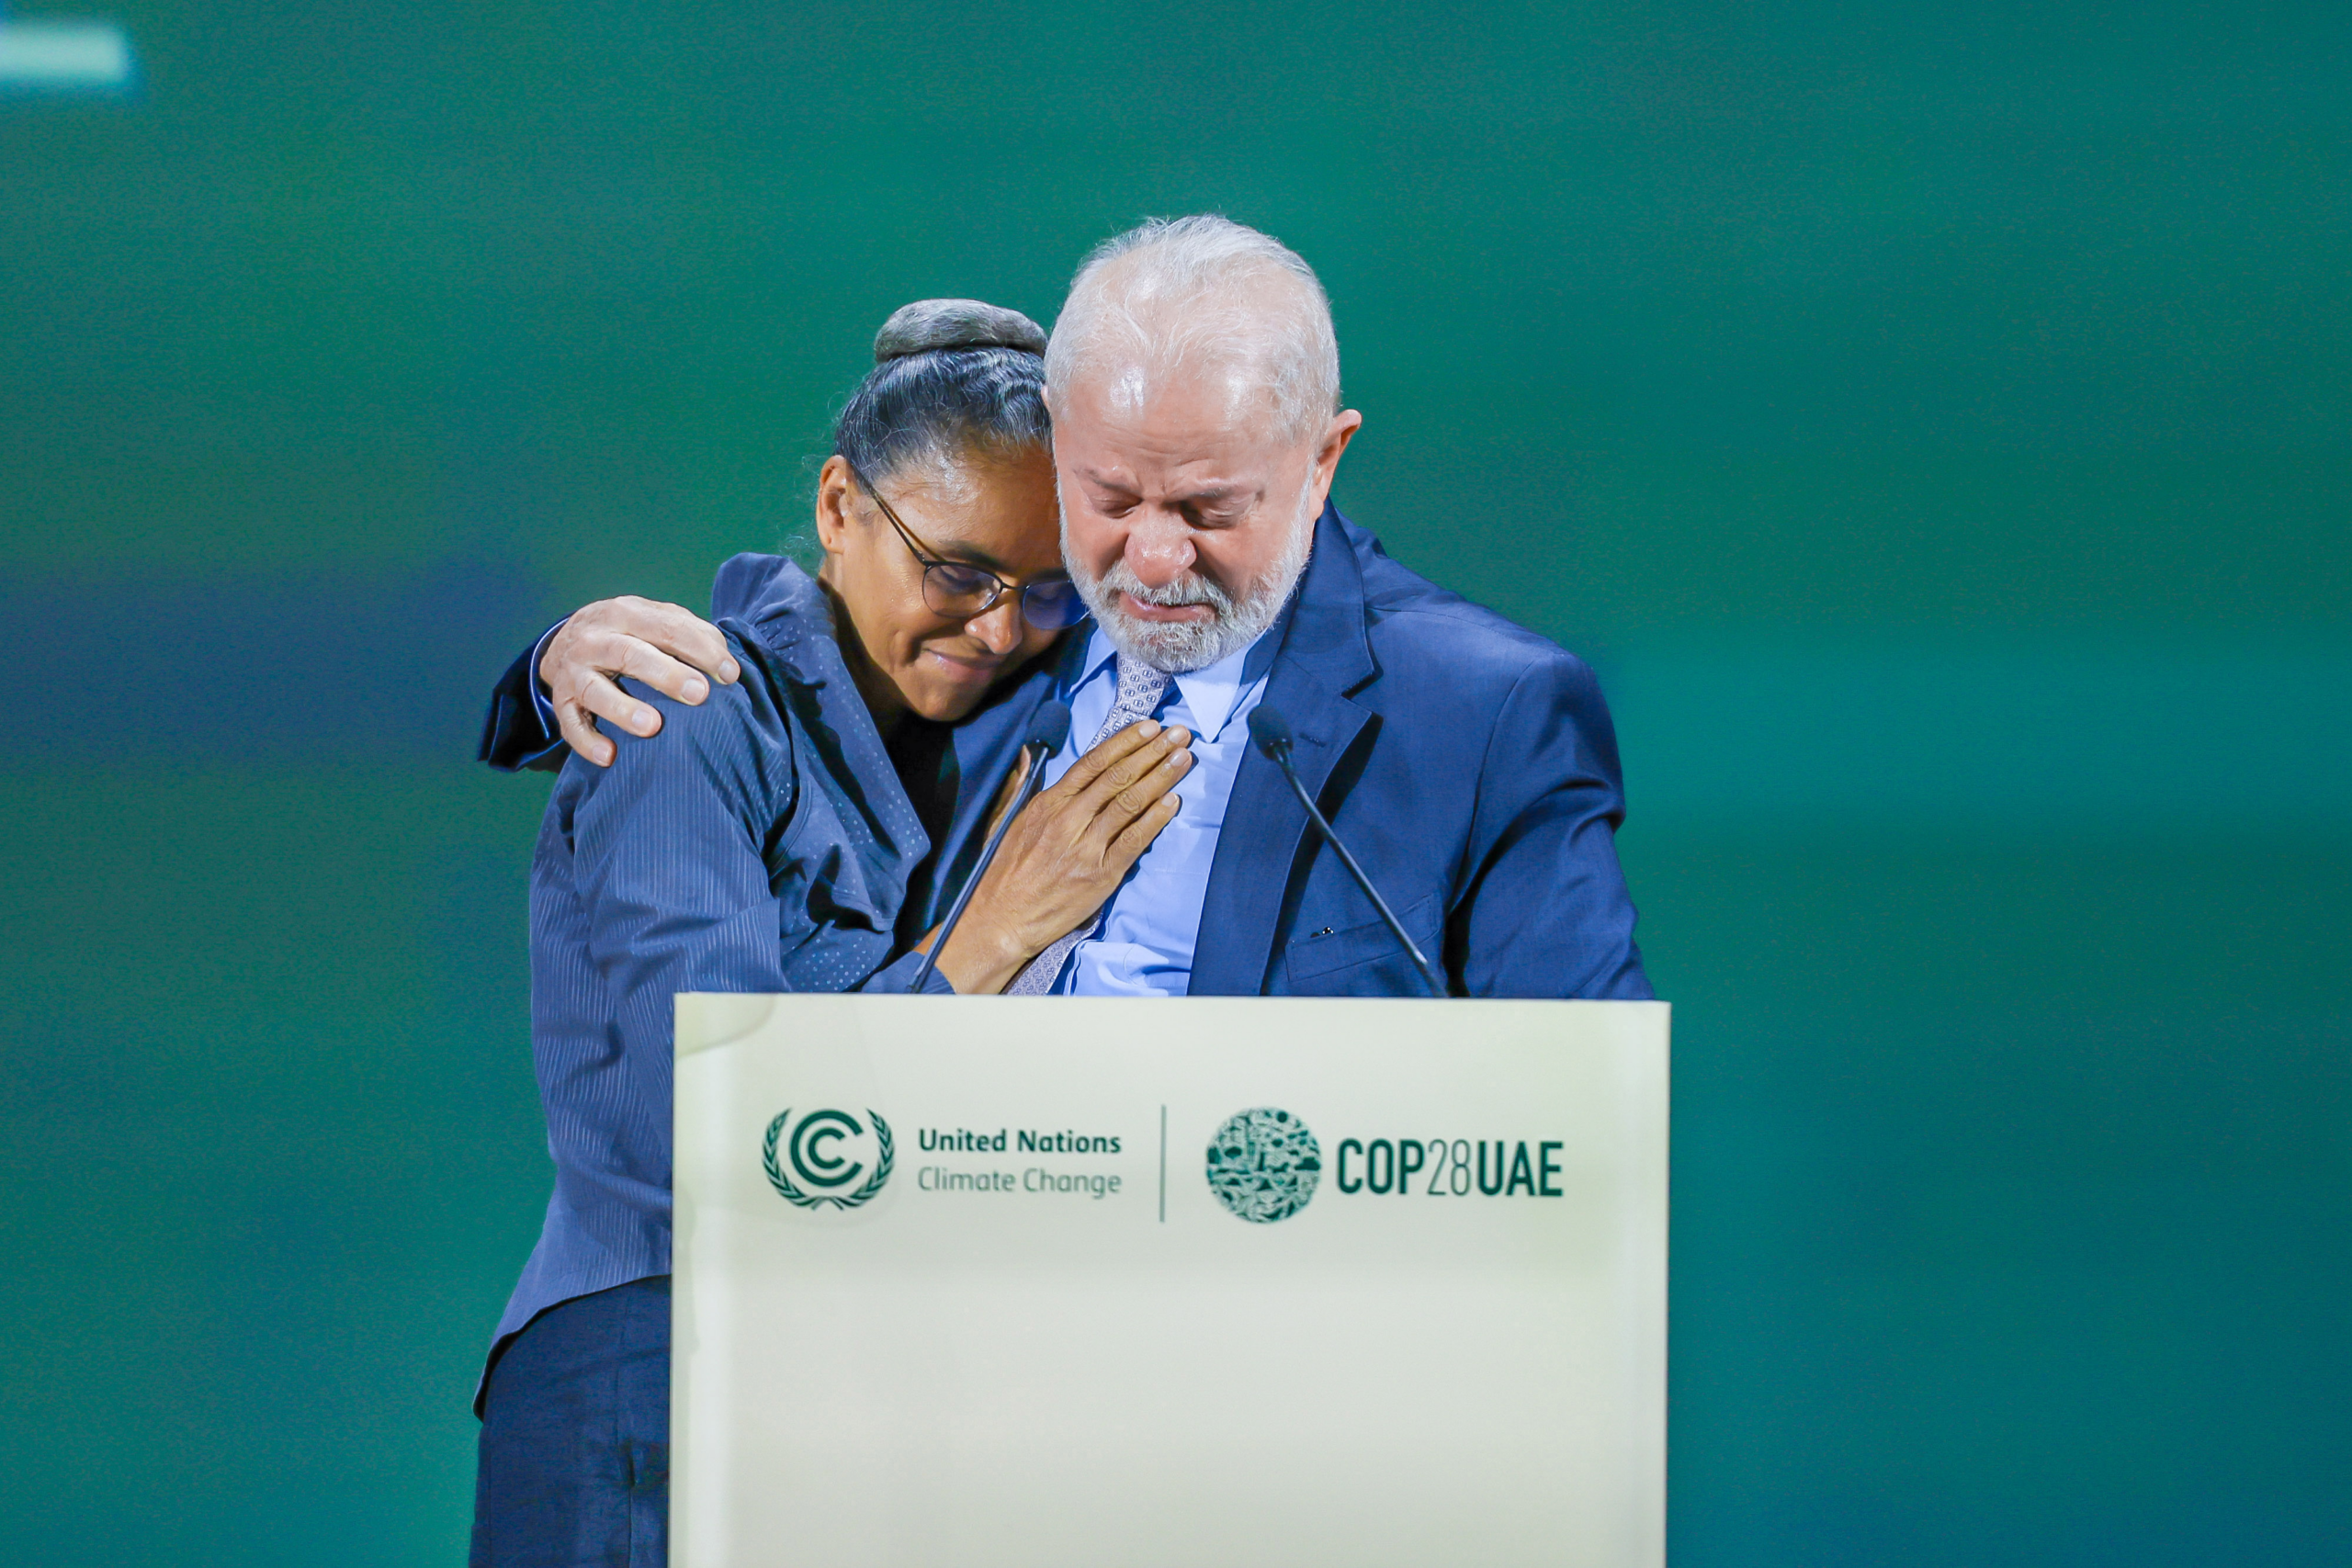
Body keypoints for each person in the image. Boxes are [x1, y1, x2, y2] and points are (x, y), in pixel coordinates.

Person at [469, 299, 1196, 1568]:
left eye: (1042, 592)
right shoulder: (688, 715)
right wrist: (982, 946)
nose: (994, 628)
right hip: (658, 1381)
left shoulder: (1018, 734)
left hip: (886, 1396)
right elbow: (708, 1131)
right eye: (958, 571)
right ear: (840, 507)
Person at [488, 214, 1650, 998]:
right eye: (1108, 494)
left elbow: (1573, 1114)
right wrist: (551, 669)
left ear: (1322, 461)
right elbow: (780, 693)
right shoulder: (1003, 635)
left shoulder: (1482, 713)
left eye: (1208, 507)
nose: (1149, 560)